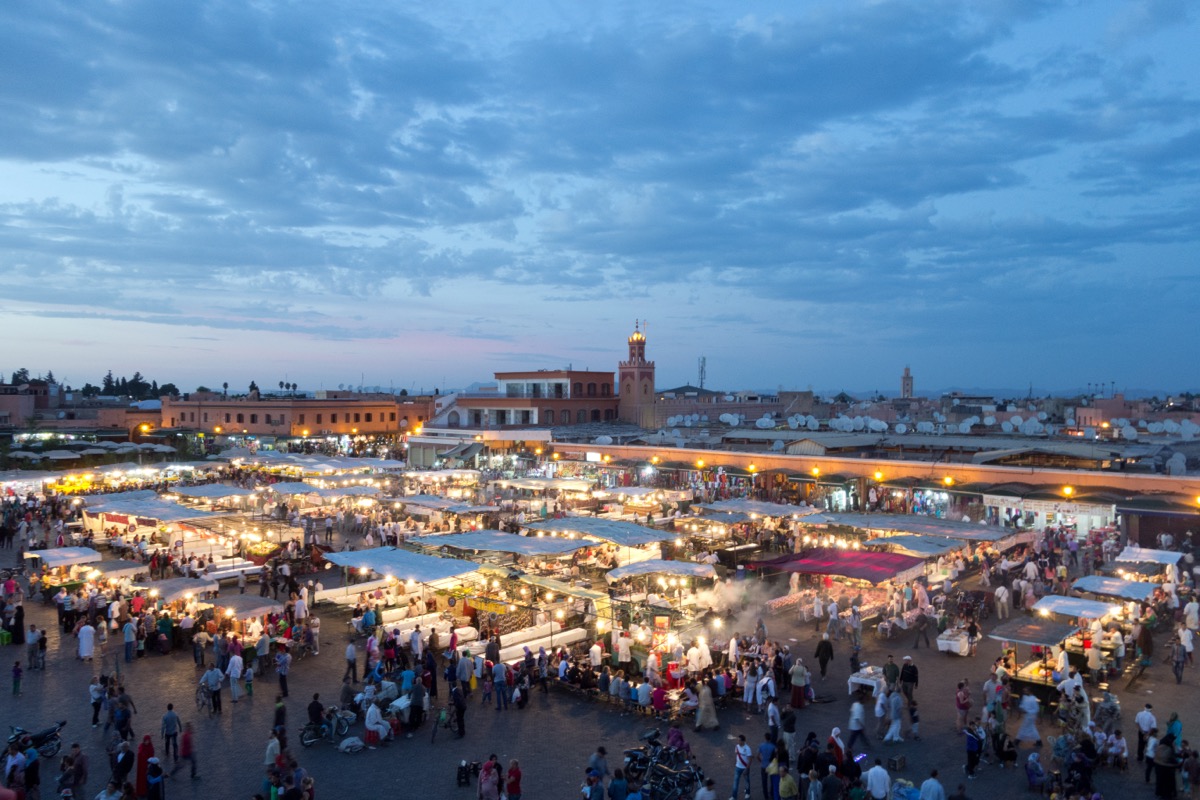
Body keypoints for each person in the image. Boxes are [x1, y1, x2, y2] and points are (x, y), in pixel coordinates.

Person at [732, 734, 753, 800]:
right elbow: (737, 755)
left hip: (745, 767)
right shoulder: (737, 747)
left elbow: (750, 760)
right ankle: (734, 796)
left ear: (743, 741)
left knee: (747, 781)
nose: (738, 741)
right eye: (738, 740)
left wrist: (747, 768)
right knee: (735, 782)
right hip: (737, 767)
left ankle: (747, 793)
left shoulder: (747, 749)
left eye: (739, 740)